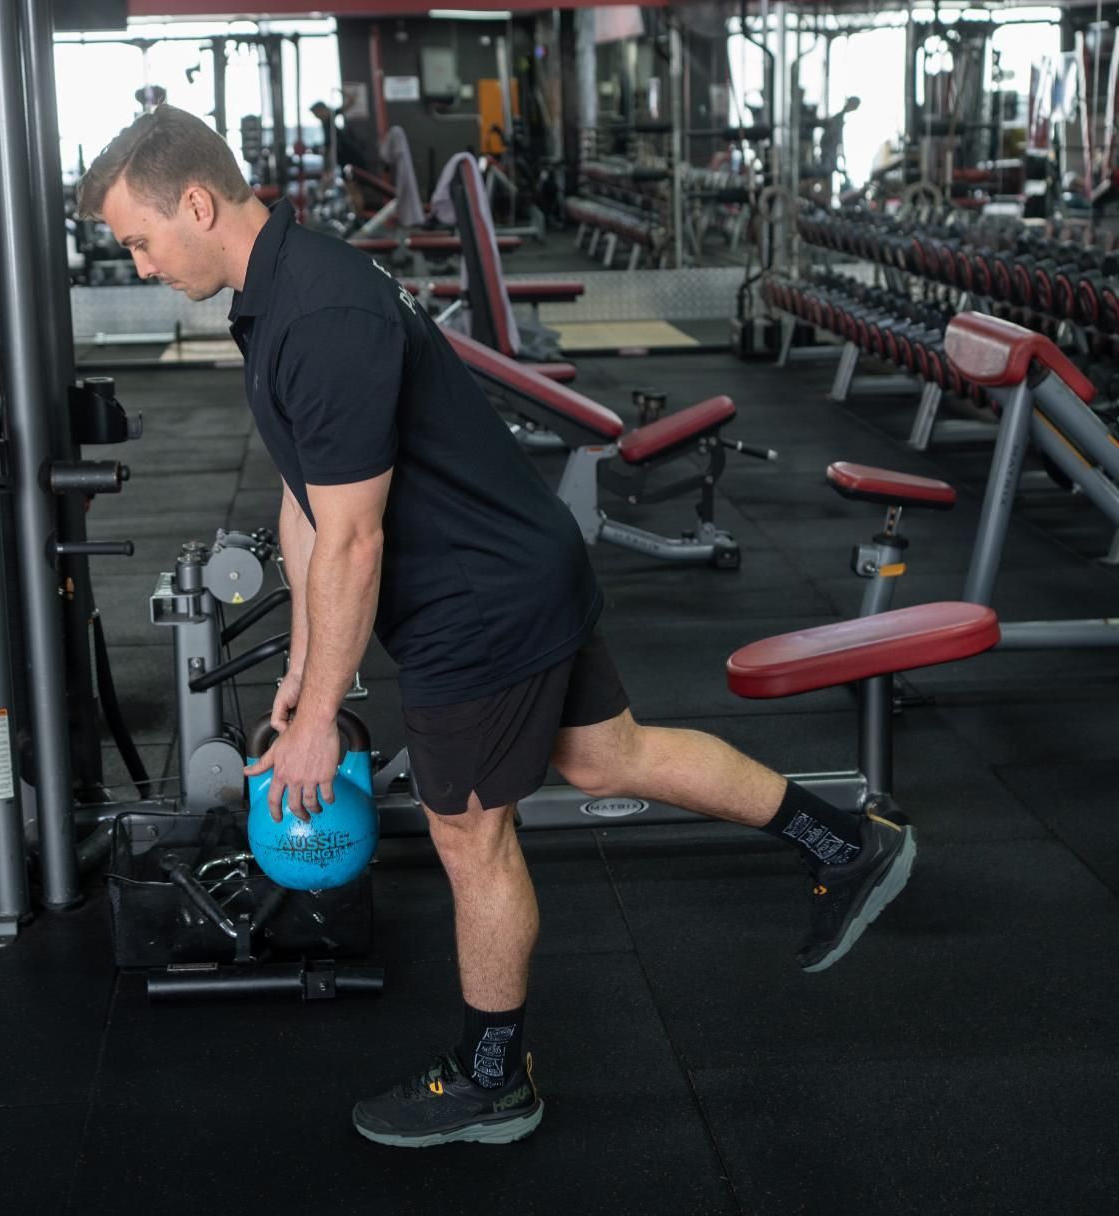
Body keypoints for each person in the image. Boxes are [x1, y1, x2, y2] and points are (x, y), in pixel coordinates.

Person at [77, 105, 915, 1150]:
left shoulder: (320, 315)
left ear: (195, 203)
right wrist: (303, 665)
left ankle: (491, 1076)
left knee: (472, 833)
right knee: (611, 757)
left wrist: (320, 717)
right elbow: (305, 498)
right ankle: (843, 839)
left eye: (140, 238)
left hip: (476, 603)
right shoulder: (276, 293)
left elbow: (351, 542)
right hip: (518, 566)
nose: (141, 260)